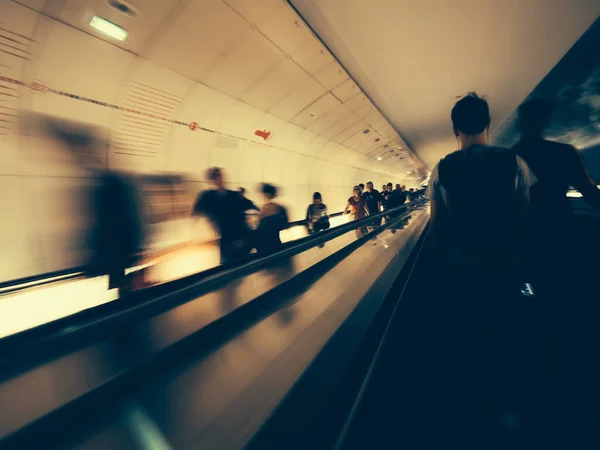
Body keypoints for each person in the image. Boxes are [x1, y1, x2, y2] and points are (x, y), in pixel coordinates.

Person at [426, 93, 536, 440]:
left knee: (466, 334)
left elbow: (437, 226)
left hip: (460, 267)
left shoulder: (442, 169)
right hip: (506, 266)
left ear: (455, 128)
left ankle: (466, 413)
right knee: (505, 333)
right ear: (488, 124)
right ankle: (507, 410)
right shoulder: (515, 163)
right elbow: (525, 221)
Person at [193, 168, 252, 264]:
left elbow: (248, 209)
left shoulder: (233, 195)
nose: (221, 179)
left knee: (233, 266)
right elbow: (197, 212)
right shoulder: (208, 197)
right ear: (212, 180)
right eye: (217, 176)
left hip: (238, 238)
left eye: (221, 176)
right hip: (227, 240)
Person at [255, 183, 289, 253]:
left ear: (266, 194)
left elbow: (260, 230)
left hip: (265, 248)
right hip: (276, 245)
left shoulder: (263, 209)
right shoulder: (281, 209)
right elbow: (285, 225)